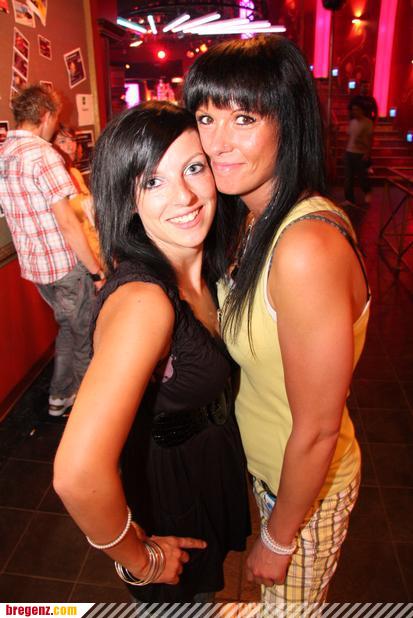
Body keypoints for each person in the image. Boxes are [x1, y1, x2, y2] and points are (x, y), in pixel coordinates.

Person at [184, 35, 370, 605]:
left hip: (306, 495)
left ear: (288, 123)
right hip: (270, 472)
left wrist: (279, 536)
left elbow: (317, 428)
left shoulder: (304, 246)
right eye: (206, 118)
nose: (217, 142)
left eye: (244, 119)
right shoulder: (252, 217)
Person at [53, 101, 250, 603]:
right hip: (172, 498)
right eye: (153, 181)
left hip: (206, 466)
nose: (184, 195)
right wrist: (142, 560)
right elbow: (76, 474)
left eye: (193, 168)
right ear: (128, 198)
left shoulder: (206, 269)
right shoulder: (145, 302)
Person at [0, 84, 104, 417]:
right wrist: (96, 271)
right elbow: (68, 223)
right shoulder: (42, 154)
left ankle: (60, 396)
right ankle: (89, 412)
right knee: (84, 334)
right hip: (65, 266)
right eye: (55, 120)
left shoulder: (4, 153)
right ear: (45, 116)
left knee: (69, 329)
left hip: (36, 269)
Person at [52, 124, 100, 264]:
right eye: (62, 141)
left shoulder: (74, 172)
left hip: (94, 245)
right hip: (77, 255)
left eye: (72, 140)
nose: (71, 146)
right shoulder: (55, 178)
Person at [343, 96, 374, 206]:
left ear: (362, 110)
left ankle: (367, 191)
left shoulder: (367, 122)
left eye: (357, 109)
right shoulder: (352, 122)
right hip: (349, 152)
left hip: (360, 153)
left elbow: (370, 139)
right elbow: (349, 136)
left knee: (362, 176)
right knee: (348, 177)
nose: (354, 112)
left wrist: (367, 153)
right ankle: (349, 199)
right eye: (353, 110)